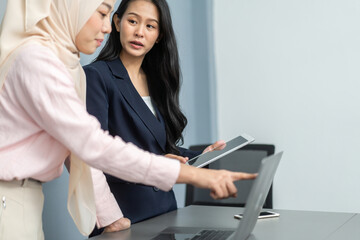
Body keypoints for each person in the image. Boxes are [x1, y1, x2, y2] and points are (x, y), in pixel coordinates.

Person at [0, 0, 256, 239]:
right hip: (13, 199)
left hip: (30, 198)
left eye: (150, 26)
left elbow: (82, 153)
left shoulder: (64, 65)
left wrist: (109, 216)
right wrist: (192, 176)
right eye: (102, 13)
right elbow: (93, 147)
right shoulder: (41, 63)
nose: (106, 27)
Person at [84, 0, 228, 236]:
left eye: (151, 26)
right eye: (132, 21)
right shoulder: (97, 77)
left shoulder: (155, 80)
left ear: (159, 36)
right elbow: (92, 159)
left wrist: (201, 156)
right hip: (124, 219)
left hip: (166, 214)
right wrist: (158, 165)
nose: (140, 32)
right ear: (118, 23)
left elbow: (160, 149)